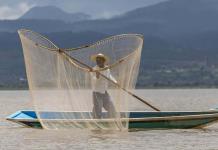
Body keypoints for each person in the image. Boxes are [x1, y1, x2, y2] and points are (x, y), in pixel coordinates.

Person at [90, 53, 117, 119]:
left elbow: (109, 76)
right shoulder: (94, 70)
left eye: (99, 60)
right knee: (98, 112)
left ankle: (110, 122)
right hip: (96, 93)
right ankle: (96, 123)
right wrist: (97, 76)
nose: (98, 61)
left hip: (104, 92)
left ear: (103, 61)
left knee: (112, 109)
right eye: (97, 60)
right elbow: (93, 81)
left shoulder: (107, 69)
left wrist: (116, 82)